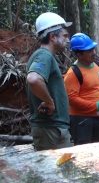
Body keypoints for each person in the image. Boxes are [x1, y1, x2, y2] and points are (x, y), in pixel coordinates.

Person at [26, 12, 73, 151]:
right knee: (59, 172)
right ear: (53, 37)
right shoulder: (43, 55)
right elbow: (33, 79)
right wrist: (49, 102)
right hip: (51, 130)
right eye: (65, 35)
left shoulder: (45, 56)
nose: (68, 39)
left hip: (52, 129)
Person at [64, 33, 99, 145]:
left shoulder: (98, 65)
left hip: (98, 116)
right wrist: (97, 105)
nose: (94, 53)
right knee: (84, 153)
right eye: (89, 51)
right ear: (79, 54)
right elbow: (72, 99)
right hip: (81, 120)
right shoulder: (73, 73)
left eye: (93, 49)